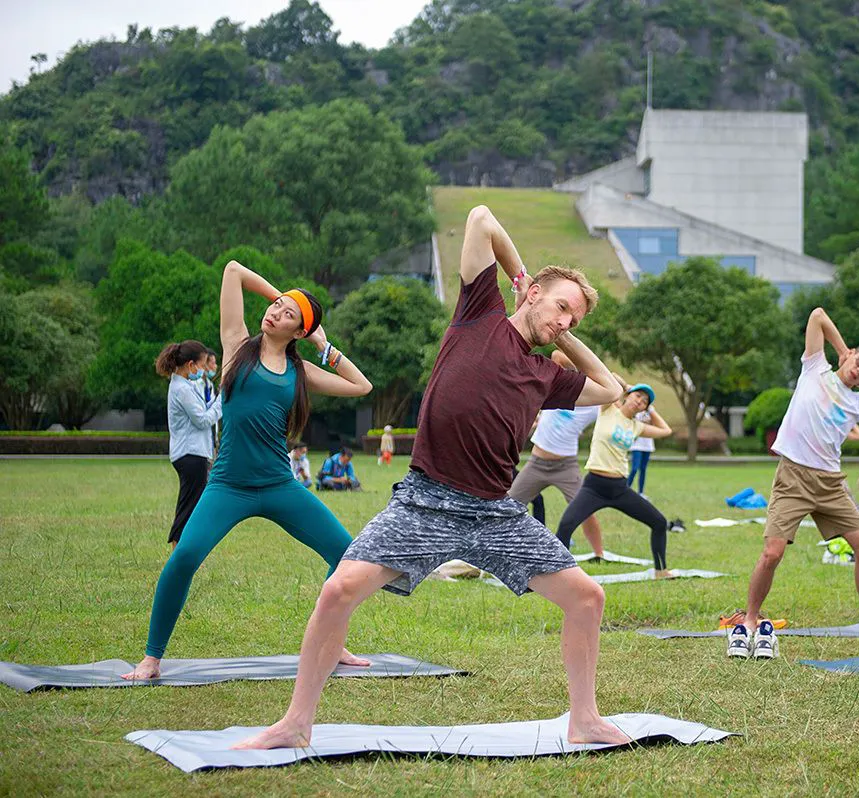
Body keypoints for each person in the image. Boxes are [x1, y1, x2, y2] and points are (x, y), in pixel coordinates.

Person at [235, 204, 630, 750]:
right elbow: (481, 218)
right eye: (562, 307)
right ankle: (295, 723)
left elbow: (609, 389)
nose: (566, 321)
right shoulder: (480, 310)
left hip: (495, 512)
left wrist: (560, 336)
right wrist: (519, 280)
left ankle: (583, 718)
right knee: (339, 589)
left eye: (576, 320)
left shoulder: (545, 375)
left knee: (588, 598)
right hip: (425, 502)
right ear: (533, 292)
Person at [122, 260, 374, 680]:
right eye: (275, 305)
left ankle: (332, 641)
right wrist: (286, 297)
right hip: (228, 486)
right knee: (184, 555)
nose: (274, 312)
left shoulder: (299, 371)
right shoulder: (238, 347)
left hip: (278, 485)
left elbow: (360, 386)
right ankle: (151, 658)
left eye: (287, 314)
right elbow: (235, 270)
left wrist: (321, 344)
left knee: (345, 554)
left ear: (299, 332)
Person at [727, 308, 859, 661]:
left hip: (830, 484)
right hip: (793, 476)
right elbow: (816, 316)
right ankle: (751, 617)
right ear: (852, 355)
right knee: (772, 553)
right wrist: (842, 348)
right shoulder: (816, 368)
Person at [555, 382, 674, 576]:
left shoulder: (637, 427)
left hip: (619, 488)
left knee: (659, 522)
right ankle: (557, 572)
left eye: (644, 402)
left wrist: (651, 408)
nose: (640, 402)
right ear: (627, 396)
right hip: (594, 486)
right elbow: (608, 377)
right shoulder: (607, 408)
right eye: (638, 396)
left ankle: (661, 570)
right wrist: (627, 387)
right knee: (567, 524)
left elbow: (666, 430)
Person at [508, 350, 605, 555]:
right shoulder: (557, 388)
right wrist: (582, 363)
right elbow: (557, 355)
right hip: (537, 464)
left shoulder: (593, 406)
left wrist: (600, 374)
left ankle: (600, 554)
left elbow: (616, 388)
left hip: (566, 467)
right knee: (508, 506)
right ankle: (496, 549)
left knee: (586, 510)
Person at [156, 340, 223, 548]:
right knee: (189, 505)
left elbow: (203, 409)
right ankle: (178, 547)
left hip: (192, 453)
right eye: (202, 365)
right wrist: (223, 401)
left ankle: (185, 547)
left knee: (192, 503)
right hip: (190, 454)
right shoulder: (182, 389)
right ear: (191, 365)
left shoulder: (184, 386)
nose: (203, 370)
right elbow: (202, 419)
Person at [627, 411, 655, 495]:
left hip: (647, 444)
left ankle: (641, 492)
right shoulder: (635, 411)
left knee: (643, 469)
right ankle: (626, 489)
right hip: (636, 445)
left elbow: (654, 424)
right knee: (634, 468)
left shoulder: (651, 411)